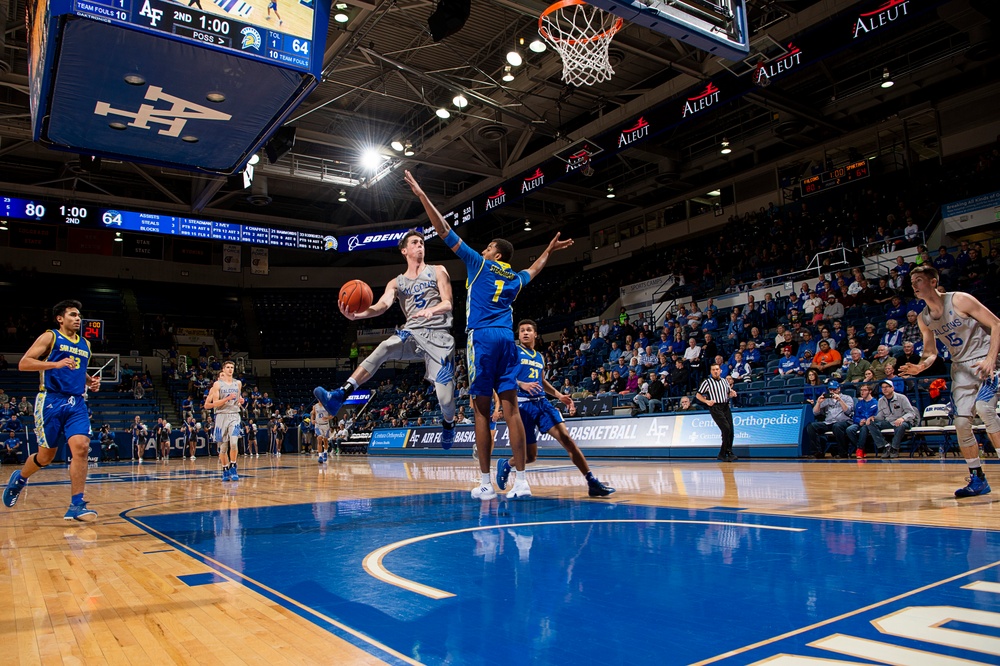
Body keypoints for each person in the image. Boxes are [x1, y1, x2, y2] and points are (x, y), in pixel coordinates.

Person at [404, 169, 572, 500]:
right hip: (506, 339)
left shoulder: (478, 265)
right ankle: (522, 482)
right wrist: (549, 250)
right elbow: (535, 270)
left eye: (488, 246)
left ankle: (485, 483)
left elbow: (444, 229)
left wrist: (422, 195)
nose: (484, 248)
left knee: (481, 409)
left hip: (480, 338)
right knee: (510, 409)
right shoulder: (513, 278)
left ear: (495, 252)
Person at [314, 229, 457, 449]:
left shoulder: (438, 270)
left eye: (422, 242)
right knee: (385, 346)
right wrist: (358, 314)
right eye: (415, 242)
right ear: (404, 250)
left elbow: (448, 303)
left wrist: (433, 310)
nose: (420, 245)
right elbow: (382, 306)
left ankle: (448, 424)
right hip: (413, 333)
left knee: (446, 400)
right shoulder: (396, 282)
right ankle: (340, 394)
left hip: (439, 337)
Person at [899, 265, 1000, 497]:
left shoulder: (960, 300)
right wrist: (921, 366)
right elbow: (930, 352)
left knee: (985, 409)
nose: (914, 285)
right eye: (912, 281)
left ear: (933, 282)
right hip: (960, 368)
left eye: (919, 280)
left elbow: (996, 324)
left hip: (986, 360)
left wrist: (991, 359)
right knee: (962, 424)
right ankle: (978, 479)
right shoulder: (924, 318)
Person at [3, 300, 101, 521]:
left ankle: (76, 504)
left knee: (82, 447)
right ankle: (20, 478)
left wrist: (89, 382)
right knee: (46, 456)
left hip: (76, 402)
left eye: (79, 316)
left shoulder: (85, 343)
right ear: (60, 318)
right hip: (50, 400)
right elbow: (24, 363)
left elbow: (77, 370)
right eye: (73, 315)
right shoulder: (50, 337)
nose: (78, 318)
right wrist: (54, 365)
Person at [495, 320, 615, 497]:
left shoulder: (539, 356)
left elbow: (542, 381)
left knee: (566, 438)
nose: (525, 333)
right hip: (521, 406)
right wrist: (521, 384)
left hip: (542, 403)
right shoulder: (514, 351)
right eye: (522, 331)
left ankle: (591, 482)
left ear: (535, 334)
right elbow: (501, 376)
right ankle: (506, 464)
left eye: (529, 330)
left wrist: (559, 395)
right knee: (530, 457)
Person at [203, 360, 244, 482]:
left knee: (234, 442)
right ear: (222, 370)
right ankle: (225, 469)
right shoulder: (217, 385)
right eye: (228, 367)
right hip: (221, 416)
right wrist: (226, 398)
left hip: (234, 415)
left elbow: (238, 399)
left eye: (232, 367)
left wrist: (241, 400)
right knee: (223, 448)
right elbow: (213, 405)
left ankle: (233, 466)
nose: (230, 369)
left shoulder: (238, 384)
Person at [695, 363, 738, 462]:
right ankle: (723, 453)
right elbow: (698, 395)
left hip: (725, 406)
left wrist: (732, 393)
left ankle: (728, 452)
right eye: (713, 369)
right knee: (726, 428)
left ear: (720, 370)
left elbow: (728, 393)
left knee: (730, 430)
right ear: (711, 371)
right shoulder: (707, 382)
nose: (715, 371)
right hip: (715, 407)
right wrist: (706, 401)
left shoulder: (724, 381)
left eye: (717, 369)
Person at [868, 379, 918, 458]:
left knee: (900, 426)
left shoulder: (902, 398)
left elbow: (911, 413)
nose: (884, 389)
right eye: (883, 387)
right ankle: (885, 446)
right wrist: (873, 418)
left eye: (887, 387)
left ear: (892, 388)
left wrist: (902, 418)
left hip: (903, 421)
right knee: (870, 423)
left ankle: (894, 448)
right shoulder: (881, 400)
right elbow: (881, 416)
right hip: (889, 422)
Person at [805, 381, 854, 458]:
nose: (832, 391)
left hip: (844, 421)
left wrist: (840, 400)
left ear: (839, 389)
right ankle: (818, 452)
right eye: (830, 390)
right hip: (829, 422)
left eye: (834, 390)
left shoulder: (847, 398)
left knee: (837, 426)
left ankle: (842, 453)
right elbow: (815, 413)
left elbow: (848, 411)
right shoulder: (827, 399)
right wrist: (818, 402)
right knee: (811, 426)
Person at [846, 383, 879, 458]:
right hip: (860, 423)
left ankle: (860, 449)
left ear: (870, 391)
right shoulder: (859, 404)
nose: (862, 392)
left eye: (864, 390)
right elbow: (855, 417)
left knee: (864, 428)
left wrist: (868, 419)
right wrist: (859, 421)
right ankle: (860, 447)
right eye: (861, 390)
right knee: (849, 429)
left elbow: (877, 416)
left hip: (870, 423)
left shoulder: (876, 403)